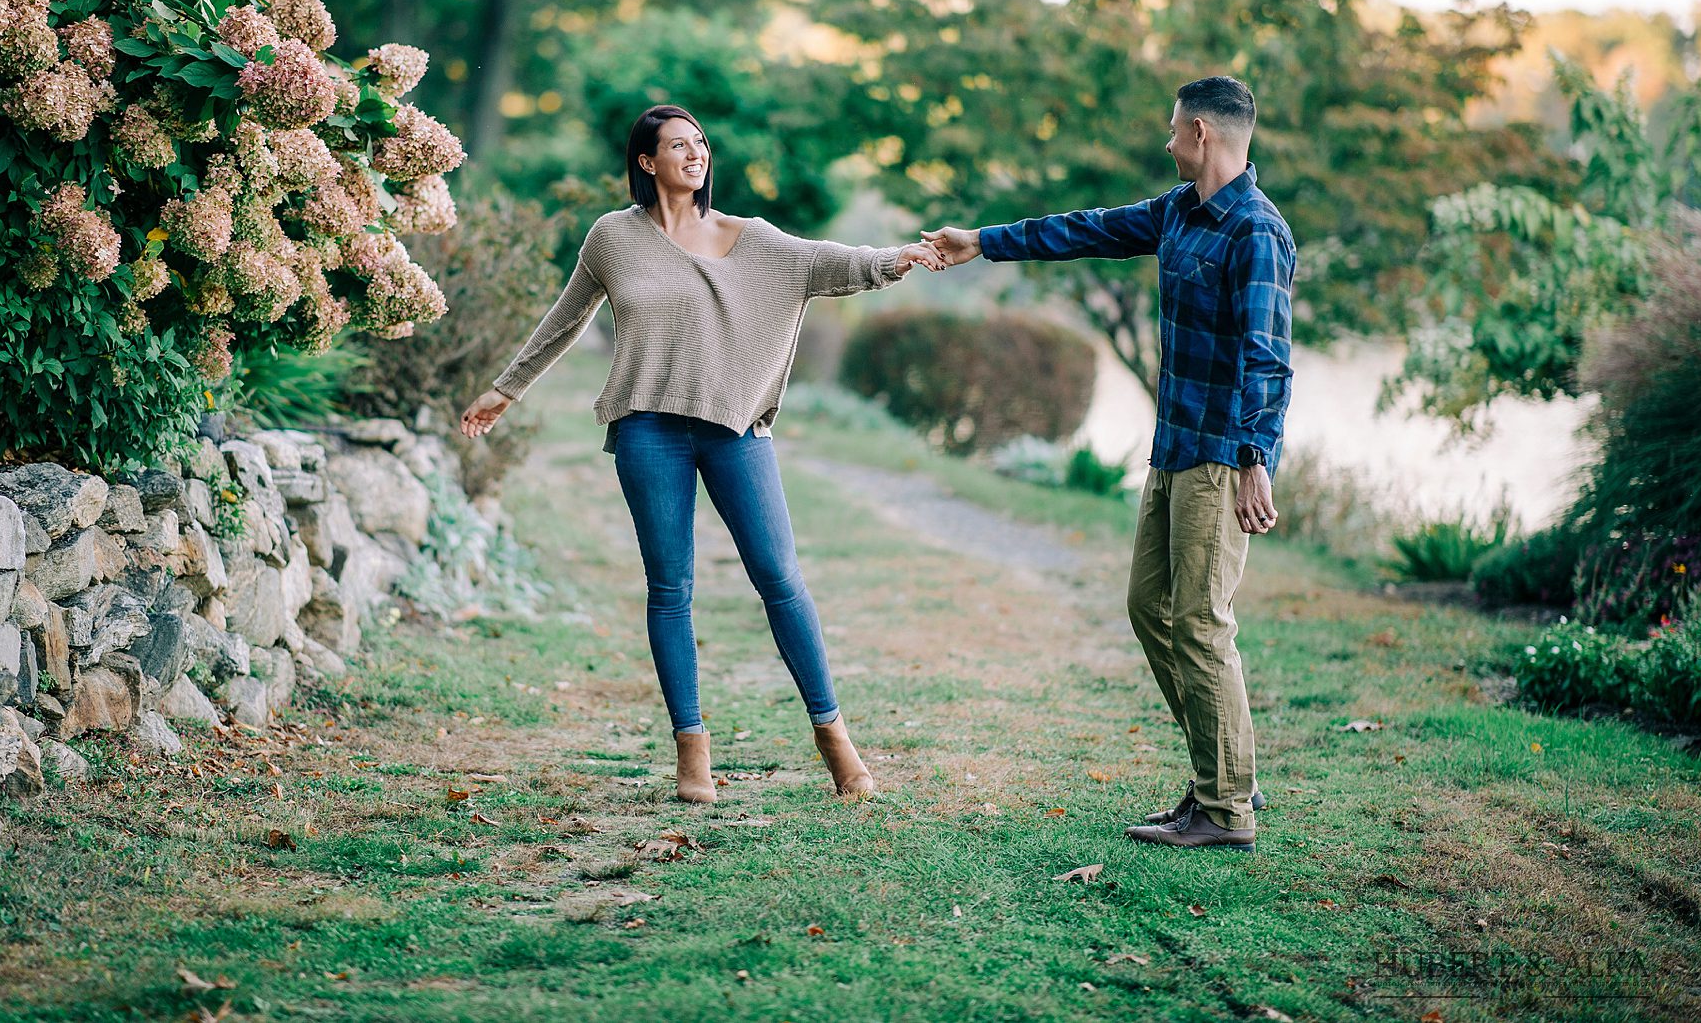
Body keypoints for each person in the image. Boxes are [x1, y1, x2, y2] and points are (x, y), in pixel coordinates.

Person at [461, 103, 946, 804]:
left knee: (780, 578)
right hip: (648, 430)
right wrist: (506, 389)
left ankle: (834, 734)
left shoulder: (751, 239)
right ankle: (692, 749)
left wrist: (890, 261)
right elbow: (565, 318)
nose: (695, 154)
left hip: (733, 428)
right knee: (670, 588)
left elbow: (826, 261)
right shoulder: (611, 239)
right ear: (646, 162)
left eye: (700, 144)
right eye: (677, 146)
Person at [921, 76, 1294, 852]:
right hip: (1173, 448)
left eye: (1172, 131)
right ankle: (1227, 771)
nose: (1166, 144)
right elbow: (1082, 229)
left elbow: (1269, 359)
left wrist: (1259, 456)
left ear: (1202, 132)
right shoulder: (1179, 211)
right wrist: (982, 240)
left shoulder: (1256, 230)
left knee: (1199, 621)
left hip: (1222, 455)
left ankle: (1224, 806)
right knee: (1148, 605)